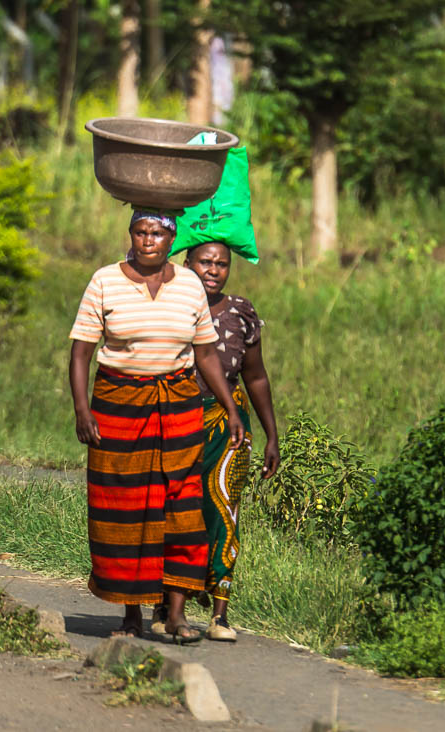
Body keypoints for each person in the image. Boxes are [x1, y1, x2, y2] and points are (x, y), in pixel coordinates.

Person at [68, 211, 244, 644]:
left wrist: (232, 409)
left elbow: (205, 355)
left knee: (182, 510)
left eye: (159, 233)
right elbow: (80, 354)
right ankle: (132, 613)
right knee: (128, 509)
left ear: (172, 239)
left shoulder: (187, 285)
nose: (150, 240)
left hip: (180, 408)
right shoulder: (105, 281)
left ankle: (177, 615)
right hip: (120, 408)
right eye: (142, 232)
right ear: (130, 234)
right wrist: (81, 410)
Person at [183, 240, 280, 642]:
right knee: (177, 511)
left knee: (224, 510)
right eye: (204, 261)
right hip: (178, 418)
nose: (213, 269)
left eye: (221, 264)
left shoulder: (240, 312)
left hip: (229, 424)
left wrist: (272, 434)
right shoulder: (172, 305)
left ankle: (219, 614)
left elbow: (255, 376)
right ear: (186, 262)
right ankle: (169, 606)